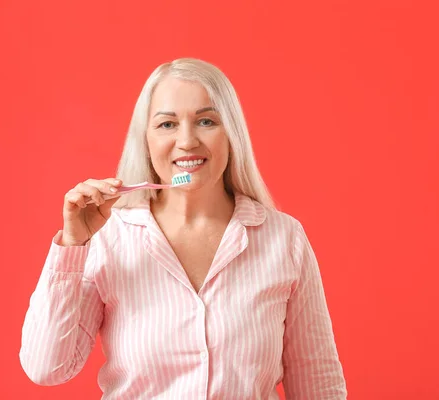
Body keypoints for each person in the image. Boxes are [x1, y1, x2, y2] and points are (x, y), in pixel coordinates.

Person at [19, 58, 348, 399]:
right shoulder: (108, 238)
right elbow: (47, 368)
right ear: (145, 139)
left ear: (232, 132)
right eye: (167, 124)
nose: (187, 140)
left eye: (207, 121)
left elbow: (317, 381)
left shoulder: (285, 238)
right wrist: (73, 244)